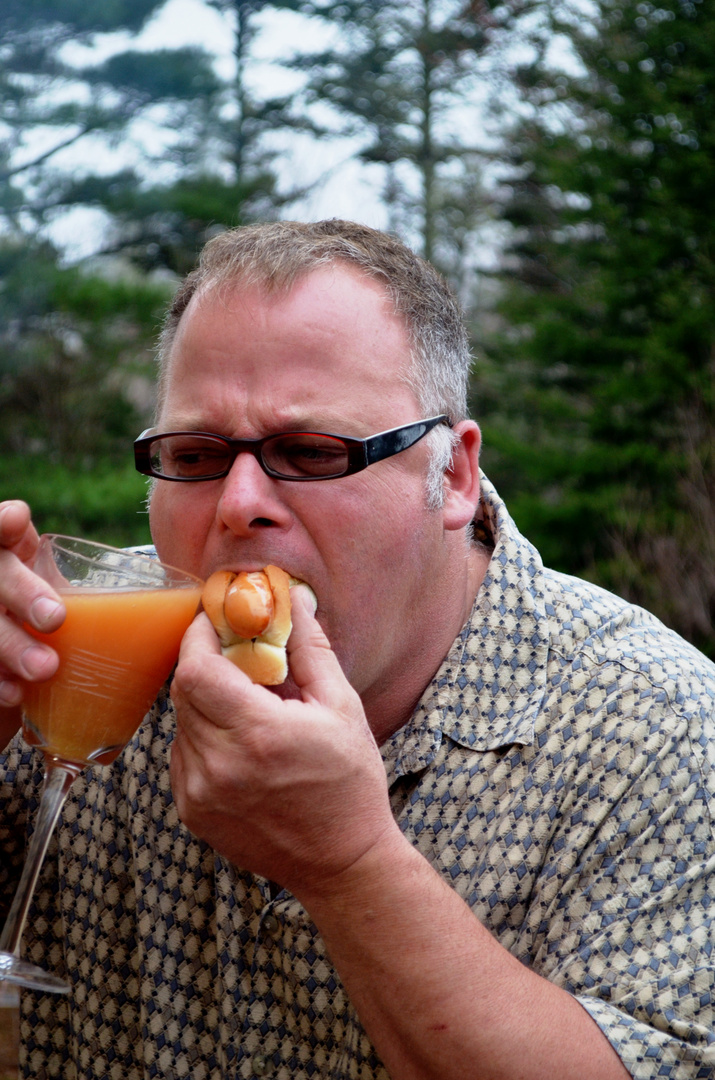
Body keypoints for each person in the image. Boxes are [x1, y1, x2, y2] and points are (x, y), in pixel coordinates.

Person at [0, 219, 713, 1080]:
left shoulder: (665, 733)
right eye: (194, 455)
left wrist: (348, 866)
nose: (238, 505)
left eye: (311, 451)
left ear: (450, 475)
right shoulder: (77, 648)